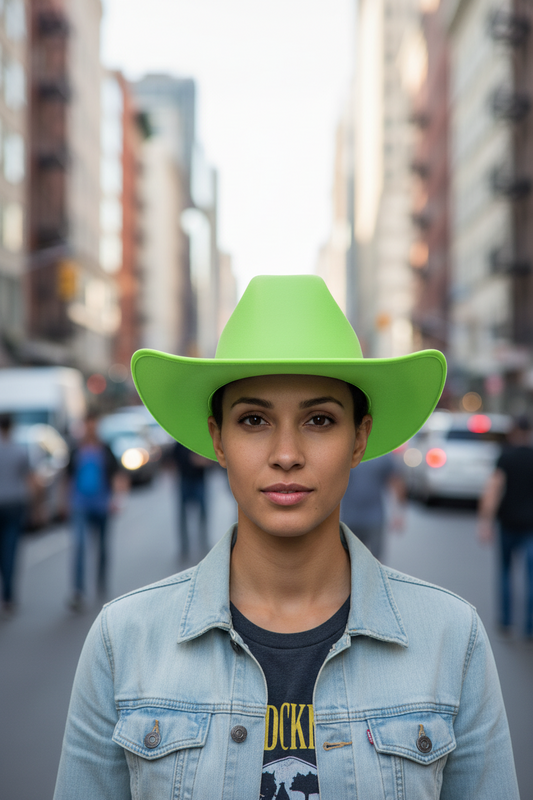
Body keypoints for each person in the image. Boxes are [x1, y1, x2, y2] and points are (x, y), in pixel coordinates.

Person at [54, 275, 519, 799]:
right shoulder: (124, 641)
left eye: (319, 419)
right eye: (254, 419)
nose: (286, 453)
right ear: (217, 438)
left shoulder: (452, 639)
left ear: (359, 438)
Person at [479, 415, 533, 637]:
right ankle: (529, 626)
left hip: (508, 523)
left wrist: (485, 521)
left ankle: (506, 621)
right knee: (531, 577)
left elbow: (493, 489)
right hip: (531, 527)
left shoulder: (506, 457)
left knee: (504, 572)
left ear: (513, 432)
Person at [66, 412, 121, 611]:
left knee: (102, 548)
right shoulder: (75, 449)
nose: (90, 428)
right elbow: (68, 477)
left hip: (102, 504)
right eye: (87, 425)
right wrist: (65, 502)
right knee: (79, 545)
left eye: (93, 425)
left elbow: (116, 474)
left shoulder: (105, 449)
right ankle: (78, 590)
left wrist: (116, 499)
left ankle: (101, 583)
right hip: (80, 504)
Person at [340, 452, 406, 560]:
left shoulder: (382, 455)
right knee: (349, 560)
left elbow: (396, 482)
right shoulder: (347, 453)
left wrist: (399, 513)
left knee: (376, 560)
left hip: (374, 519)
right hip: (349, 519)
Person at [0, 413, 31, 615]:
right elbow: (29, 479)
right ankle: (8, 597)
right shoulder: (20, 450)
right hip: (14, 505)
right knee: (10, 551)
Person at [172, 441, 212, 558]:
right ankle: (184, 547)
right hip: (184, 480)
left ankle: (203, 543)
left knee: (203, 515)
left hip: (198, 480)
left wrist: (201, 461)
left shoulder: (199, 442)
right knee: (183, 517)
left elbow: (209, 461)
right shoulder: (179, 443)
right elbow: (172, 461)